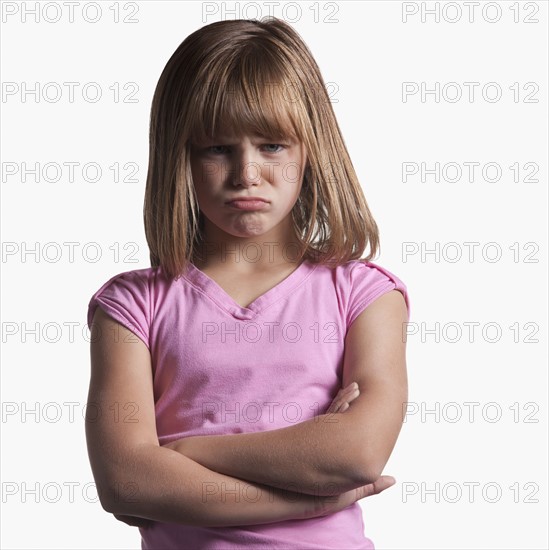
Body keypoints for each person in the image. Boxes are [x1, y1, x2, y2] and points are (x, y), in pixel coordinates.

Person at [85, 17, 410, 550]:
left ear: (311, 150)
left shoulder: (363, 295)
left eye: (272, 146)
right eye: (216, 149)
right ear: (180, 157)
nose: (246, 174)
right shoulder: (130, 306)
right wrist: (312, 494)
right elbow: (127, 480)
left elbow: (356, 454)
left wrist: (184, 453)